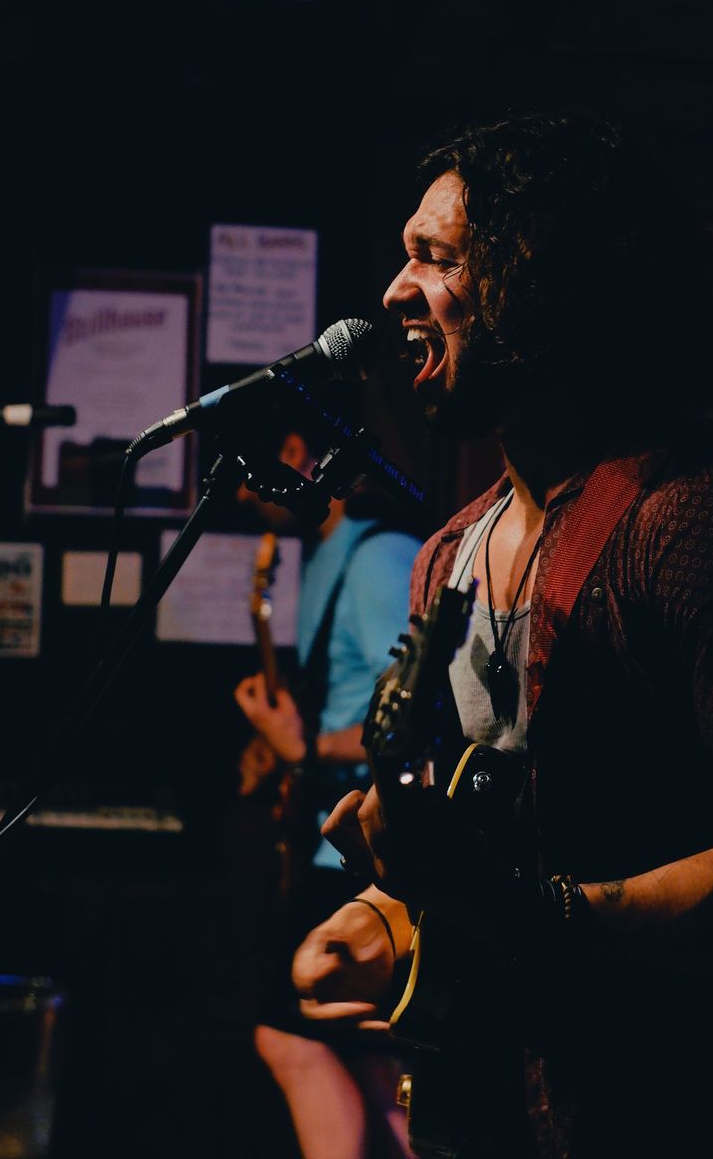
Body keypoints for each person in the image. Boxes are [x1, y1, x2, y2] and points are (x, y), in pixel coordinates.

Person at [289, 114, 713, 1158]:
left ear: (542, 280)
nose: (392, 290)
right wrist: (385, 919)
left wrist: (538, 919)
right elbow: (494, 853)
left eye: (435, 256)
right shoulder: (448, 554)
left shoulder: (707, 519)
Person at [234, 425, 420, 1159]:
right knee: (367, 1065)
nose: (241, 497)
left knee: (292, 1037)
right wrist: (280, 750)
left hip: (363, 852)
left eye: (245, 475)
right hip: (333, 845)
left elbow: (414, 716)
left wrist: (304, 749)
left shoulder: (378, 558)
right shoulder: (326, 556)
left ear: (293, 451)